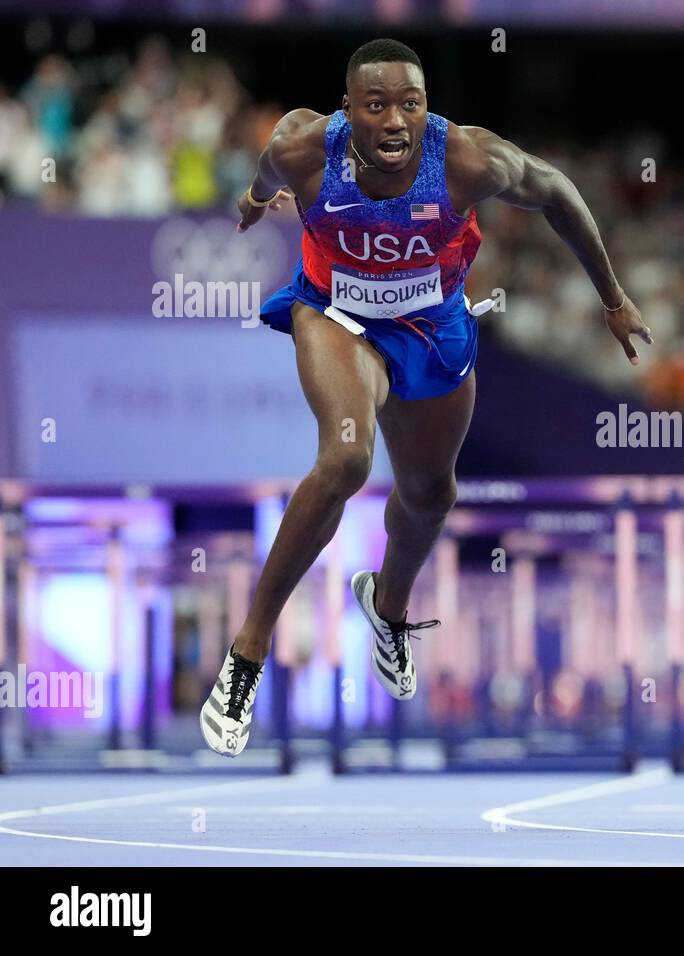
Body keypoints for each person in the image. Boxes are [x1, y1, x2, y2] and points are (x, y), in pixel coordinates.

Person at [201, 38, 651, 757]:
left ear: (426, 109)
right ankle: (246, 657)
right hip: (335, 313)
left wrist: (613, 297)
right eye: (375, 105)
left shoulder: (470, 159)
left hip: (434, 324)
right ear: (347, 109)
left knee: (431, 494)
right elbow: (265, 171)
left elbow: (560, 192)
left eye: (409, 104)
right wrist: (258, 200)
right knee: (346, 459)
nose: (394, 121)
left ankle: (388, 607)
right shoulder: (303, 148)